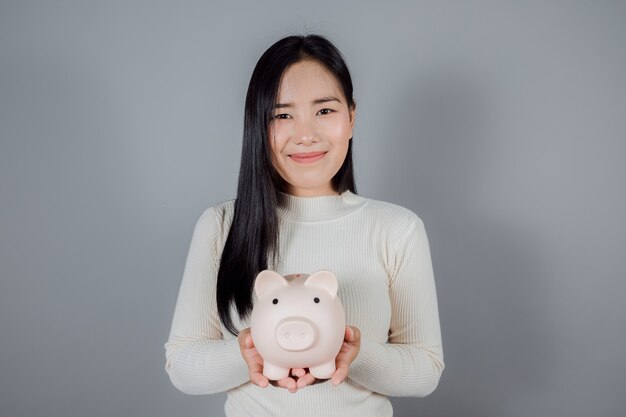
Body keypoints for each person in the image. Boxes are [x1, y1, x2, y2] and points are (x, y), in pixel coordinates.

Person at [164, 34, 444, 417]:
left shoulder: (396, 229)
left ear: (352, 118)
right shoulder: (221, 226)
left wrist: (354, 353)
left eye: (324, 111)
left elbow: (426, 370)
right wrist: (251, 349)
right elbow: (182, 366)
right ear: (258, 127)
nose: (306, 134)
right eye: (282, 115)